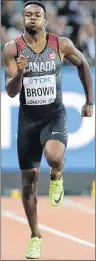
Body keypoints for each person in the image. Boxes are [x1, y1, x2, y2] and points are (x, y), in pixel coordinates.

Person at [3, 1, 93, 259]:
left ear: (45, 20)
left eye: (37, 15)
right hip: (28, 121)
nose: (33, 18)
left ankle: (56, 175)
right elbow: (11, 92)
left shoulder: (60, 44)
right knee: (28, 183)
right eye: (28, 14)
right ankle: (35, 236)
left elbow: (83, 64)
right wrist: (19, 73)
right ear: (22, 21)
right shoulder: (12, 49)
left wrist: (89, 101)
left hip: (54, 116)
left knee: (54, 156)